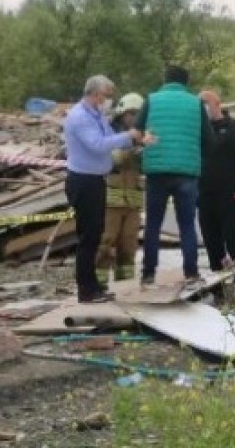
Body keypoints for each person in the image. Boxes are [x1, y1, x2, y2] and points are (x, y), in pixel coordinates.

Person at [64, 77, 151, 302]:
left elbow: (110, 139)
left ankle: (94, 287)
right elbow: (98, 145)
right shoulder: (81, 117)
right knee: (89, 239)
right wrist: (129, 137)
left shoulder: (96, 116)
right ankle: (87, 290)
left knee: (94, 236)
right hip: (83, 180)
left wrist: (138, 141)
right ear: (95, 94)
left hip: (95, 180)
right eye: (106, 95)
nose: (107, 100)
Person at [134, 65, 214, 286]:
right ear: (186, 82)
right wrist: (196, 160)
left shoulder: (151, 100)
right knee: (187, 224)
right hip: (187, 174)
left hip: (156, 172)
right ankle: (191, 272)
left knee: (153, 224)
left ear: (165, 79)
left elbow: (136, 131)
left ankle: (148, 273)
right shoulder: (195, 104)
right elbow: (209, 140)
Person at [196, 90, 235, 282]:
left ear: (217, 104)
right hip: (204, 191)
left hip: (228, 191)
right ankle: (217, 275)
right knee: (210, 235)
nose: (203, 108)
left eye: (206, 104)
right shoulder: (198, 130)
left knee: (232, 233)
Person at [97, 93, 146, 284]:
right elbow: (105, 158)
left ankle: (125, 286)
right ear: (122, 113)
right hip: (111, 200)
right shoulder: (109, 133)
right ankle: (98, 284)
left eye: (138, 114)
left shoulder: (143, 135)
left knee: (129, 245)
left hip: (133, 201)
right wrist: (126, 153)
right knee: (105, 242)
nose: (134, 118)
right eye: (131, 113)